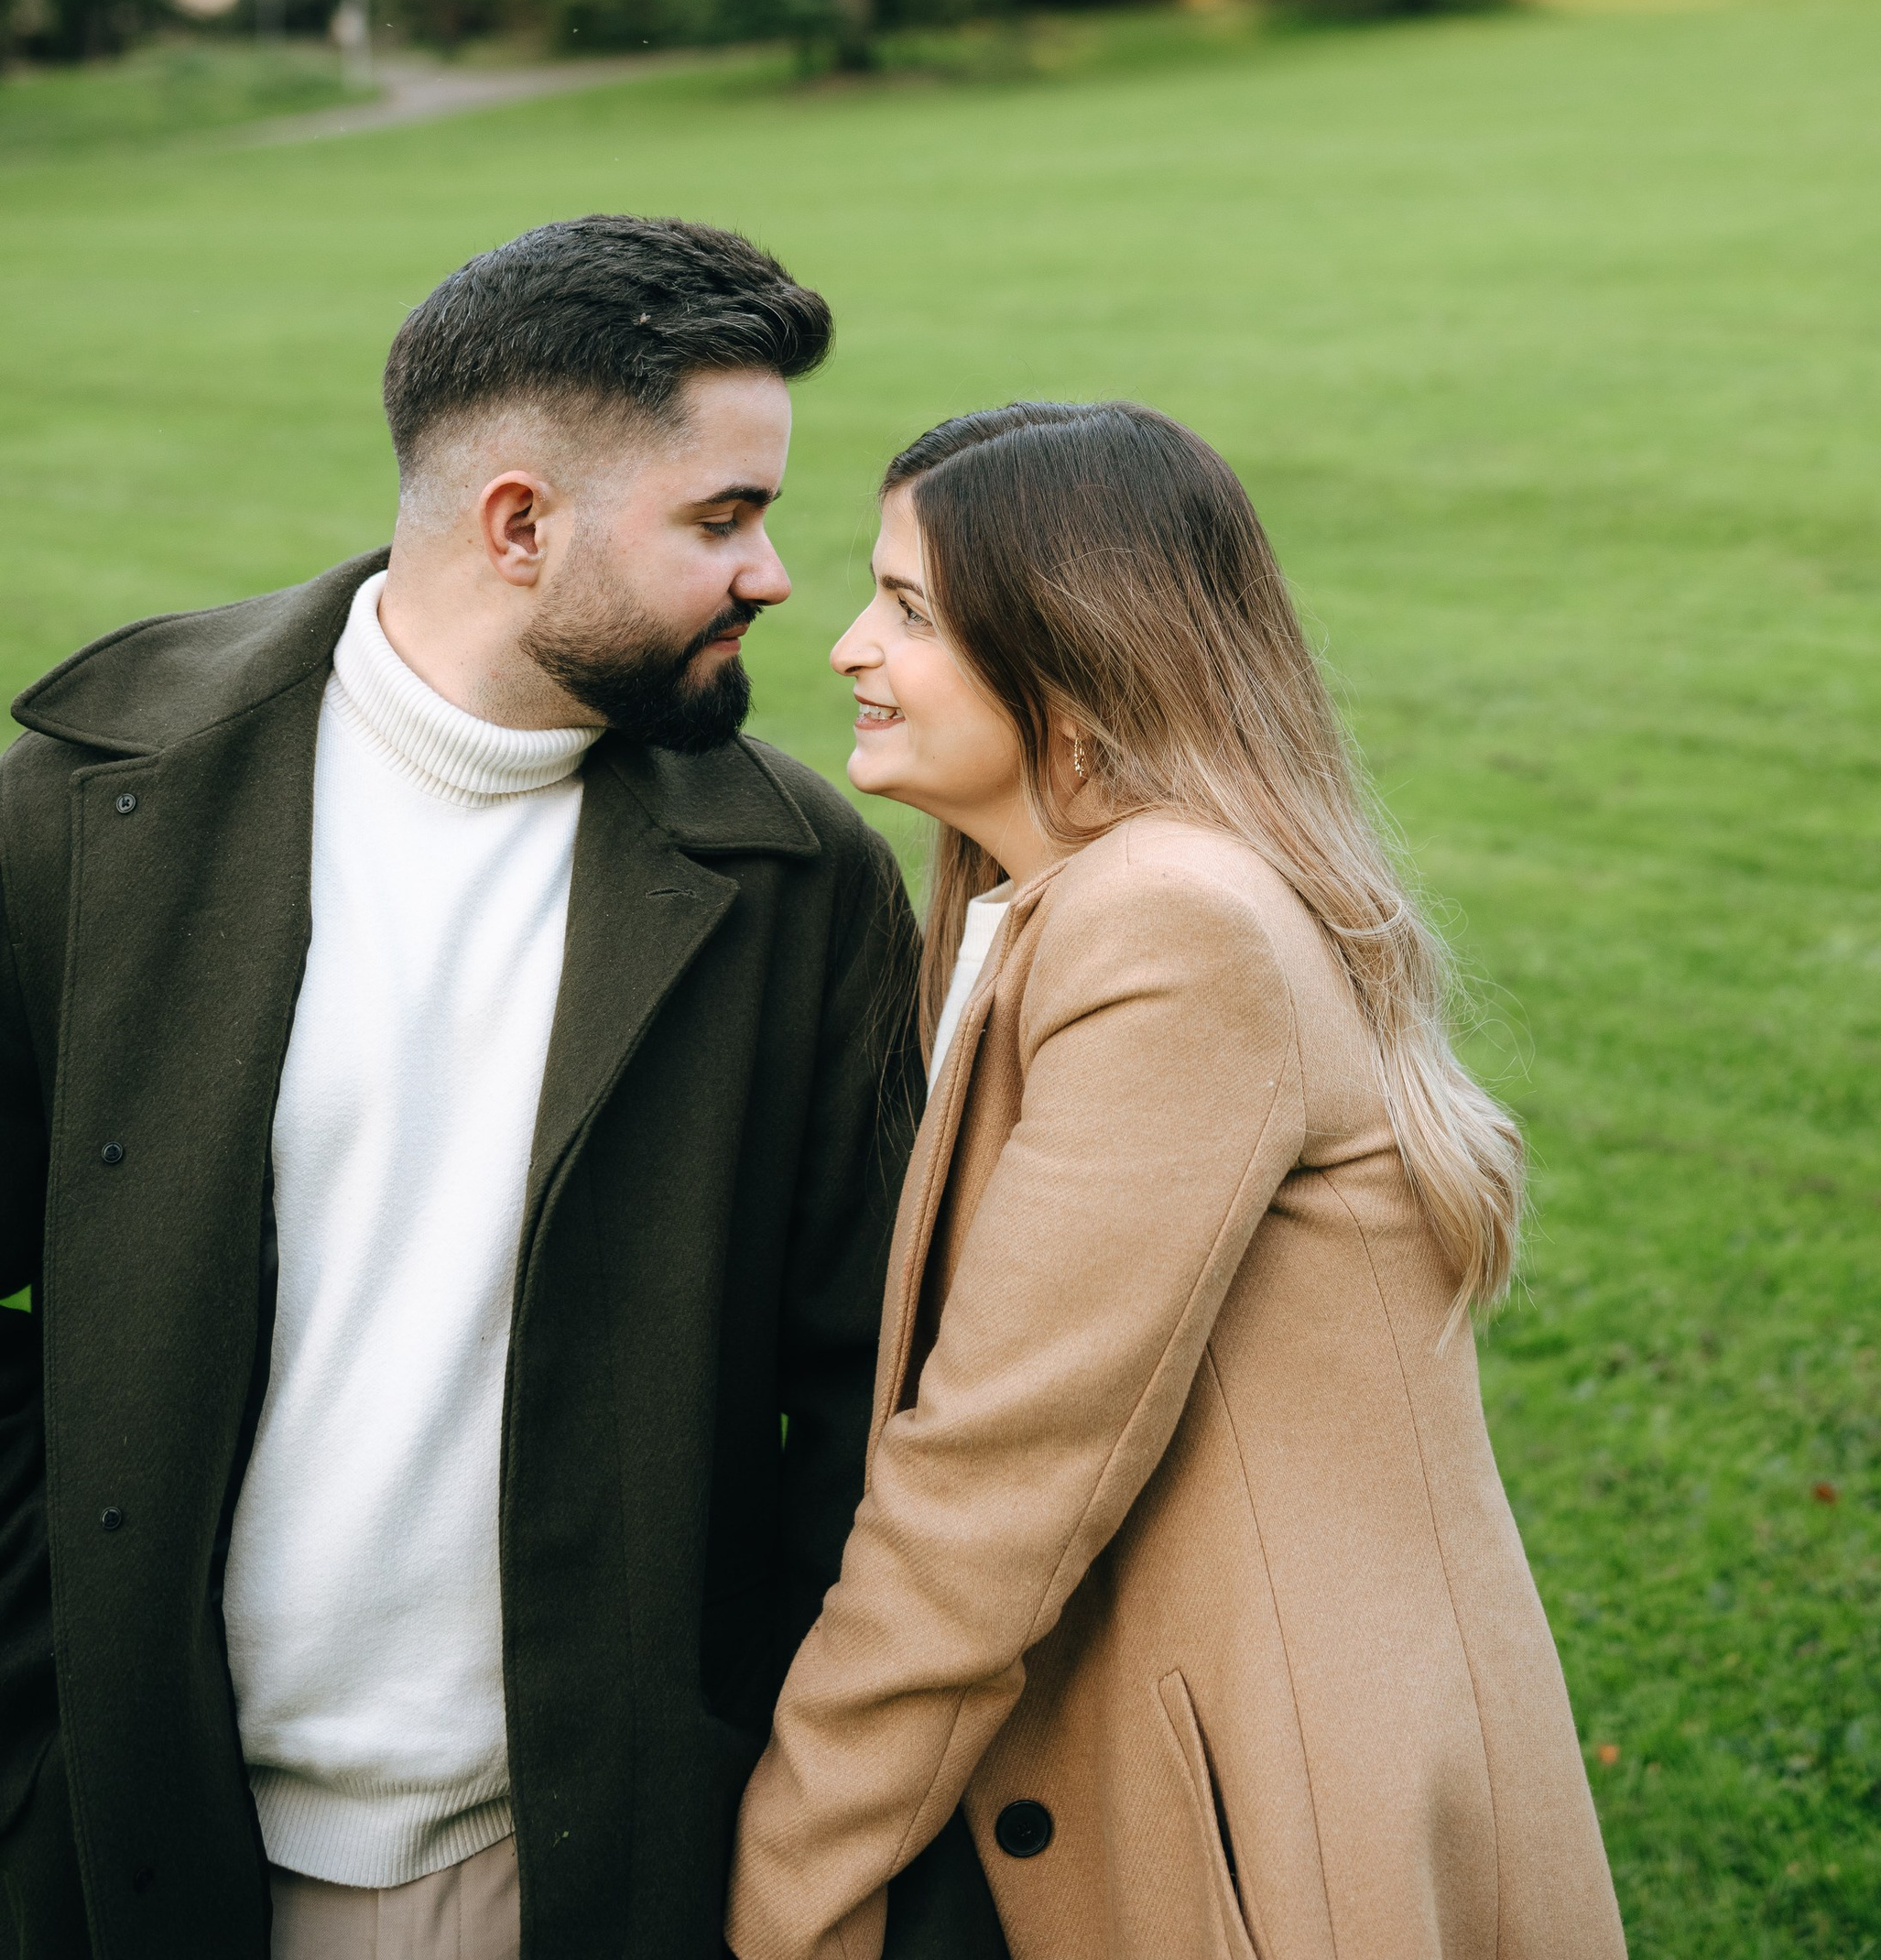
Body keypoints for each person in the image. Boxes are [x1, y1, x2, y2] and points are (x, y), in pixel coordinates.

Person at [0, 215, 992, 1960]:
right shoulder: (85, 812)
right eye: (723, 519)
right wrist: (49, 1649)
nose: (774, 577)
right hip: (133, 1843)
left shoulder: (792, 876)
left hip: (565, 1867)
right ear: (519, 525)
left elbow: (871, 1400)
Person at [726, 400, 1627, 1960]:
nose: (850, 648)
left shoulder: (1167, 928)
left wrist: (787, 1888)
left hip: (1278, 1821)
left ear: (1074, 657)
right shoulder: (1090, 897)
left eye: (911, 610)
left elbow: (991, 1483)